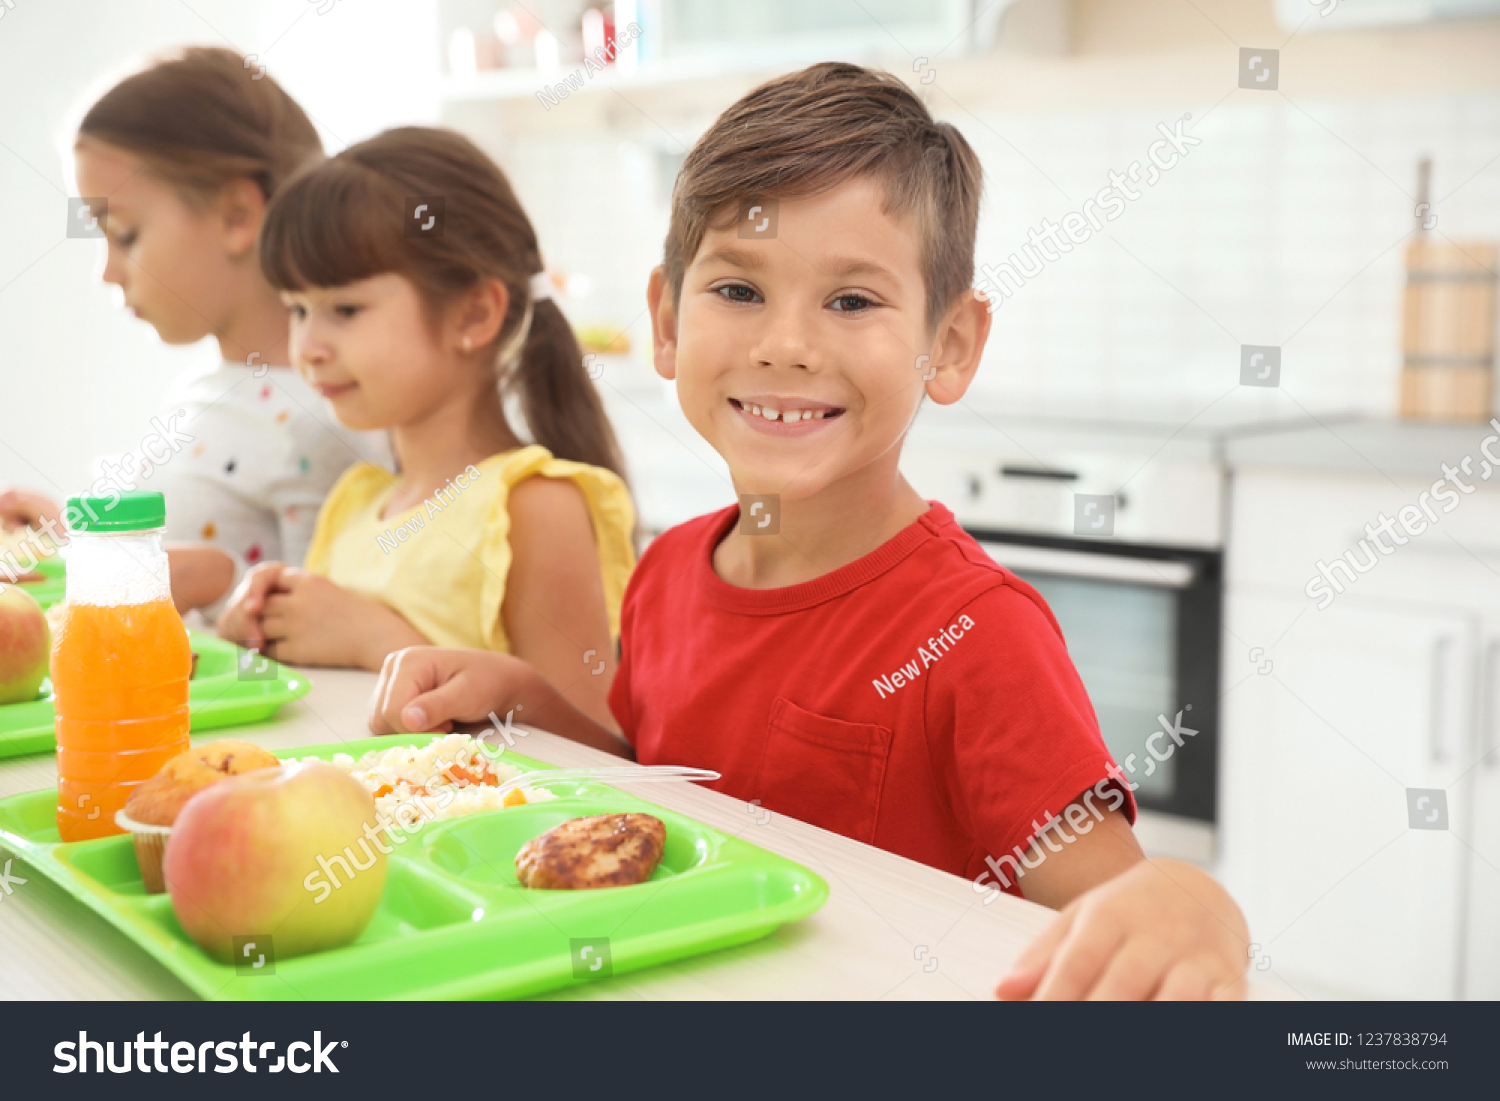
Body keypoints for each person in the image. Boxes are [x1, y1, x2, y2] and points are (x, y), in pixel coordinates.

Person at [364, 64, 1249, 999]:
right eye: (739, 291)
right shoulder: (668, 569)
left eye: (852, 300)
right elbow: (663, 800)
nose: (785, 343)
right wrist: (530, 702)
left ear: (948, 344)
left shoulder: (979, 635)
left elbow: (1119, 907)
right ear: (665, 320)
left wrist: (1197, 908)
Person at [216, 127, 634, 732]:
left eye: (345, 309)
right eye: (298, 309)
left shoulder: (533, 505)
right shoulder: (357, 504)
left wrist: (374, 639)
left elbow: (596, 760)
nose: (307, 346)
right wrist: (263, 629)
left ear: (473, 313)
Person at [0, 47, 389, 618]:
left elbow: (330, 632)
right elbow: (173, 548)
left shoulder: (322, 421)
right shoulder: (205, 389)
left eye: (125, 234)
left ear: (237, 216)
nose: (107, 272)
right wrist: (63, 541)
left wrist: (219, 581)